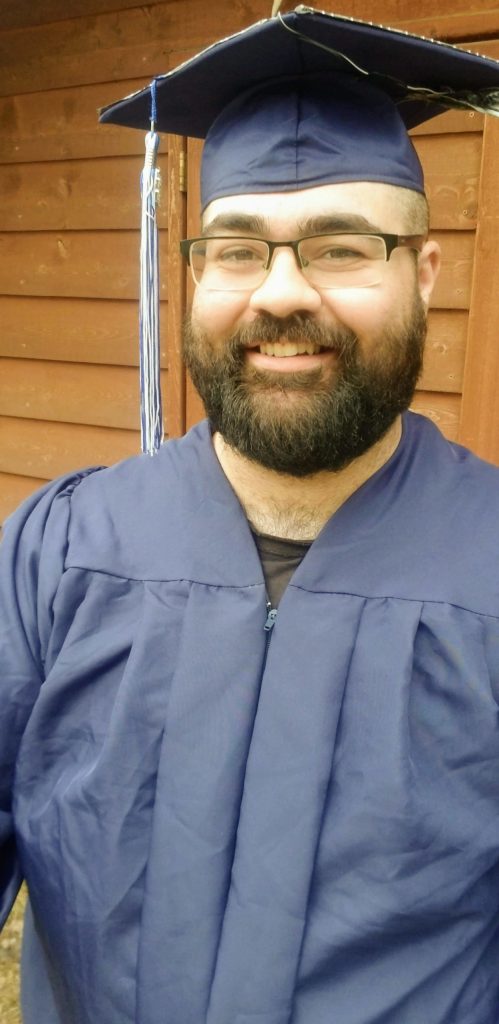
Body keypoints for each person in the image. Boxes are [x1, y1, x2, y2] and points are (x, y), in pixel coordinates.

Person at [2, 8, 499, 1023]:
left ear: (424, 271)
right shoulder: (53, 556)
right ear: (192, 274)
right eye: (238, 250)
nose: (281, 293)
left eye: (340, 247)